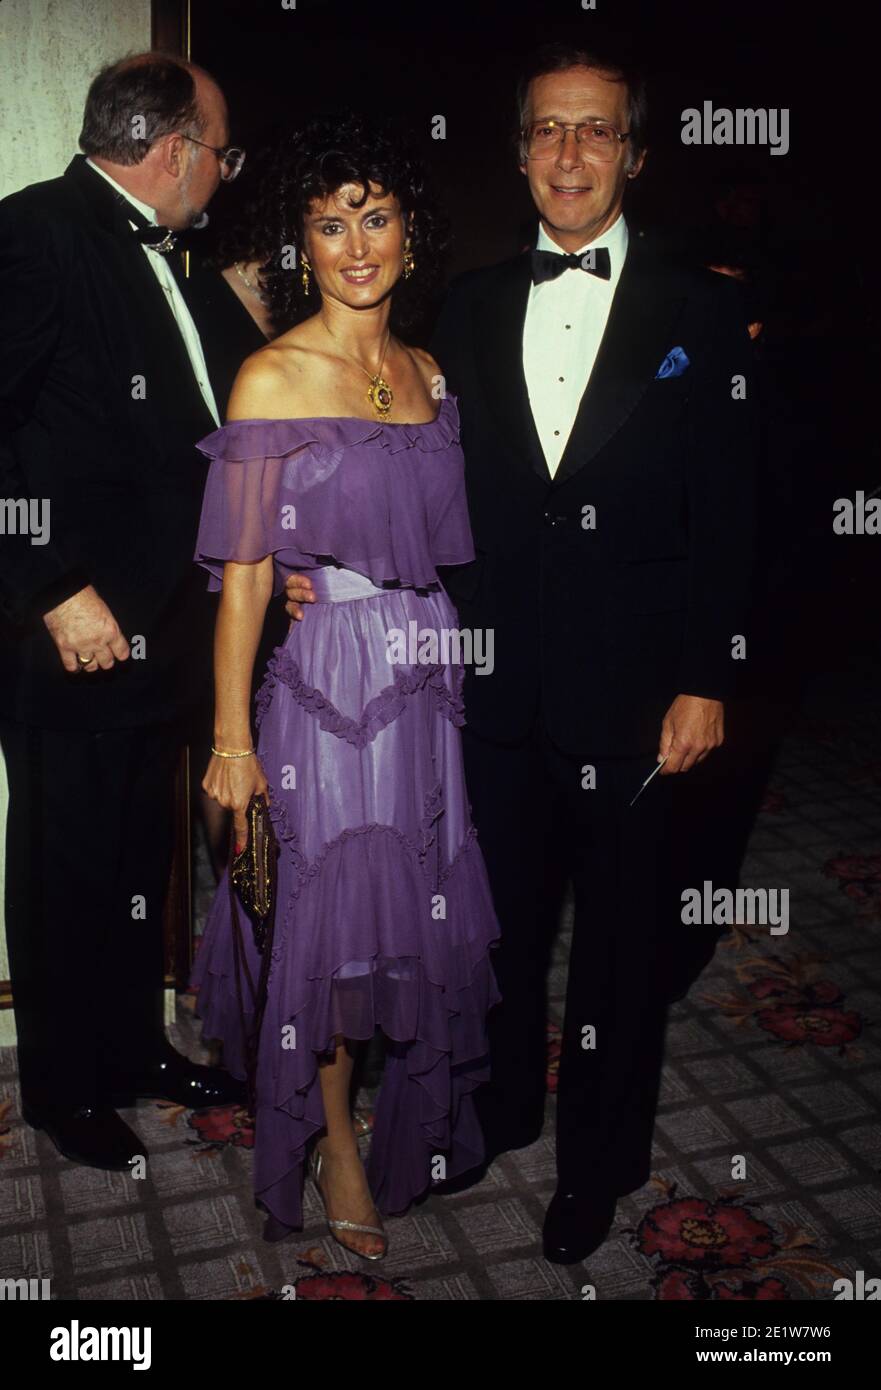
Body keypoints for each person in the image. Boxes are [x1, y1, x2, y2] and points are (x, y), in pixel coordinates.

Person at [286, 44, 759, 1264]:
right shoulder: (476, 304)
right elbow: (414, 467)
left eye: (594, 131)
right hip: (485, 687)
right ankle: (489, 1115)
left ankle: (597, 1167)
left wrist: (707, 672)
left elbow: (733, 505)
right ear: (516, 151)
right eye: (546, 130)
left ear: (634, 152)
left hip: (639, 694)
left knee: (616, 943)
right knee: (486, 927)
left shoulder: (701, 306)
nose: (566, 155)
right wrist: (313, 551)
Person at [191, 113, 500, 1259]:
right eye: (330, 224)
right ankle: (331, 1139)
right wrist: (231, 739)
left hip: (424, 682)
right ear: (303, 248)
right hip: (324, 686)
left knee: (408, 916)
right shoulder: (270, 374)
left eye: (374, 217)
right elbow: (244, 577)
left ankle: (387, 1110)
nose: (355, 242)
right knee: (322, 919)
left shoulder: (426, 374)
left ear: (409, 235)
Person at [0, 52, 245, 1171]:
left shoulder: (178, 259)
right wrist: (51, 586)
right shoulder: (37, 230)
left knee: (138, 857)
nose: (224, 174)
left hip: (164, 633)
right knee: (67, 863)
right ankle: (60, 1086)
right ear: (175, 149)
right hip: (74, 632)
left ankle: (134, 1045)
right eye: (221, 153)